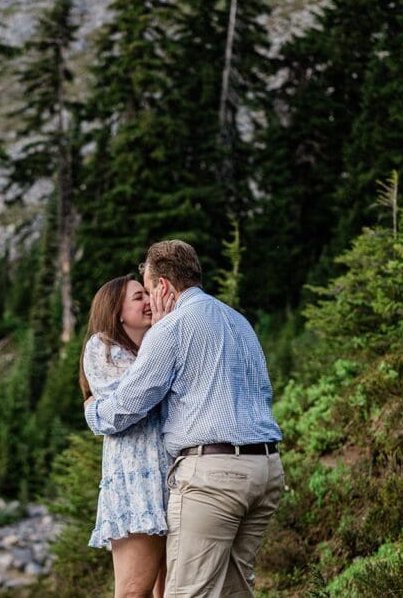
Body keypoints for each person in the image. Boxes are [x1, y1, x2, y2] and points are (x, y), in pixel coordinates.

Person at [84, 240, 285, 598]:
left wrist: (92, 410)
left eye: (148, 290)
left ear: (162, 286)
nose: (150, 301)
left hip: (215, 476)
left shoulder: (172, 327)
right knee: (234, 591)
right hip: (266, 470)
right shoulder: (237, 321)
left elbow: (126, 407)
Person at [80, 274, 177, 598]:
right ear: (116, 311)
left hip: (172, 479)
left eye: (148, 294)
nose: (149, 301)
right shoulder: (103, 347)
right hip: (136, 484)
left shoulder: (159, 345)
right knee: (134, 590)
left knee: (170, 591)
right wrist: (160, 334)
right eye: (139, 297)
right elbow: (133, 401)